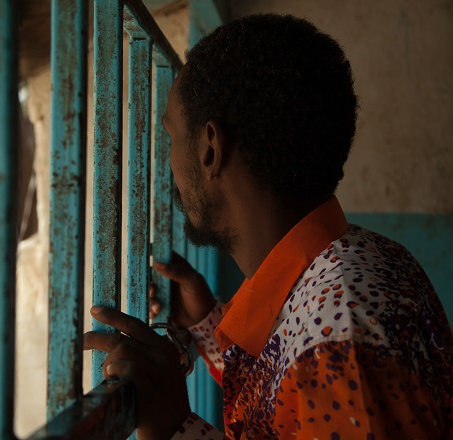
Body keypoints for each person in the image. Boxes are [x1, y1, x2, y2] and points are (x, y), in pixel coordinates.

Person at [83, 13, 453, 440]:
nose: (168, 163)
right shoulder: (362, 263)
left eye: (171, 137)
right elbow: (292, 399)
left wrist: (175, 429)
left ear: (209, 148)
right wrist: (206, 322)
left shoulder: (340, 339)